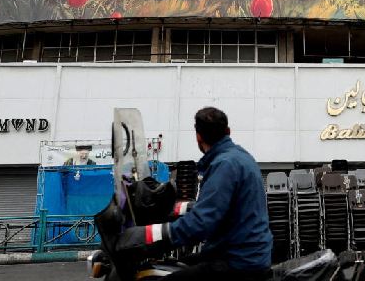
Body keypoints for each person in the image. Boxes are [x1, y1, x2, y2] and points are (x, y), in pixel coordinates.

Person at [116, 107, 273, 280]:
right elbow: (215, 206)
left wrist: (148, 236)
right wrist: (174, 210)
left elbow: (201, 223)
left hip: (239, 262)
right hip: (241, 252)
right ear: (228, 131)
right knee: (172, 265)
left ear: (198, 137)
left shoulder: (225, 165)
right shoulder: (240, 157)